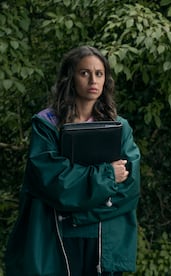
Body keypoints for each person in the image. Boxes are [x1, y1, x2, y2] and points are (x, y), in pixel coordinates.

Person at [5, 46, 140, 276]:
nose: (92, 80)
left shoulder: (120, 127)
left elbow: (129, 188)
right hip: (54, 236)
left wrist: (77, 212)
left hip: (102, 239)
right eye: (84, 73)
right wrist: (107, 175)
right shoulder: (46, 125)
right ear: (71, 77)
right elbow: (55, 182)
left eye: (99, 73)